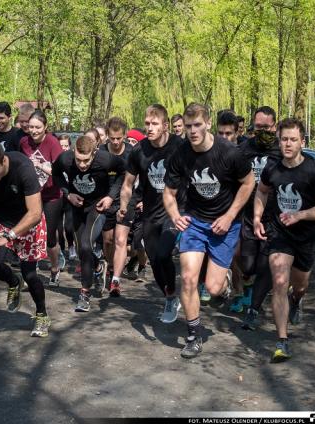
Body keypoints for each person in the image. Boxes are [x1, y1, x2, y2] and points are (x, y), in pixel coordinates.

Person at [164, 102, 254, 359]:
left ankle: (223, 287)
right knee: (190, 278)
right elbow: (169, 193)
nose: (192, 131)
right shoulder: (181, 155)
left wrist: (229, 215)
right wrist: (175, 216)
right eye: (188, 126)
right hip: (195, 222)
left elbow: (248, 183)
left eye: (197, 125)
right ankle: (193, 335)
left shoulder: (229, 152)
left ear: (207, 124)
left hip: (224, 224)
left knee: (213, 289)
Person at [254, 118, 315, 362]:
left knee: (299, 285)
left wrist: (300, 215)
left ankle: (296, 300)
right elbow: (261, 191)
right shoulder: (272, 168)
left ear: (302, 142)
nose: (287, 144)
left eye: (293, 140)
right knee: (279, 280)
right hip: (280, 235)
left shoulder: (313, 170)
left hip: (306, 239)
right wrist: (257, 217)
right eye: (284, 139)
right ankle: (282, 341)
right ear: (279, 141)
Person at [0, 142, 51, 337]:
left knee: (30, 274)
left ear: (3, 160)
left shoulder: (23, 168)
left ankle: (42, 315)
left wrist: (8, 237)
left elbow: (35, 213)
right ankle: (14, 282)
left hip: (28, 221)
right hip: (1, 218)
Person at [119, 104, 184, 323]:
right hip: (151, 211)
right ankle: (170, 297)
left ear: (166, 125)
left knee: (165, 253)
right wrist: (124, 206)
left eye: (154, 124)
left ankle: (175, 291)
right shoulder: (139, 150)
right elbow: (128, 183)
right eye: (147, 123)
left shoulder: (180, 147)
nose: (149, 128)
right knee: (155, 259)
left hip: (175, 210)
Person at [53, 136, 125, 309]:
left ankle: (84, 293)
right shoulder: (65, 158)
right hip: (76, 207)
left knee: (86, 246)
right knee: (81, 250)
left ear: (94, 153)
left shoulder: (105, 159)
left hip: (97, 208)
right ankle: (99, 266)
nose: (82, 165)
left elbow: (124, 172)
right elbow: (55, 174)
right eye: (79, 159)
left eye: (86, 161)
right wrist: (67, 193)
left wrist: (110, 196)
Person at [238, 106, 282, 328]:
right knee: (247, 266)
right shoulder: (244, 148)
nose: (263, 131)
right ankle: (251, 288)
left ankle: (253, 309)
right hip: (248, 214)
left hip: (275, 216)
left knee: (265, 265)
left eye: (267, 127)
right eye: (258, 127)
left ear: (274, 126)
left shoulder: (281, 149)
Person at [19, 110, 64, 285]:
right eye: (31, 127)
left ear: (45, 127)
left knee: (50, 237)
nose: (34, 131)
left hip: (52, 195)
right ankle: (29, 270)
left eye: (38, 127)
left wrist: (40, 165)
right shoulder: (24, 142)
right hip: (31, 195)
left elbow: (60, 171)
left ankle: (54, 268)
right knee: (28, 232)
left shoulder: (52, 143)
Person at [101, 117, 133, 296]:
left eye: (119, 138)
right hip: (106, 199)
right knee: (108, 240)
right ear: (107, 136)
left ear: (124, 136)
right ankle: (110, 266)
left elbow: (140, 177)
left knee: (121, 240)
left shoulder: (131, 152)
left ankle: (116, 280)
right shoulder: (101, 151)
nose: (115, 142)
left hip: (127, 199)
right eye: (112, 138)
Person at [57, 134, 76, 261]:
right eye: (61, 145)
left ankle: (71, 246)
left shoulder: (74, 160)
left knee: (68, 226)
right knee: (58, 228)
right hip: (57, 197)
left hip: (69, 197)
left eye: (65, 145)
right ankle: (62, 250)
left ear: (70, 146)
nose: (63, 148)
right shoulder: (55, 160)